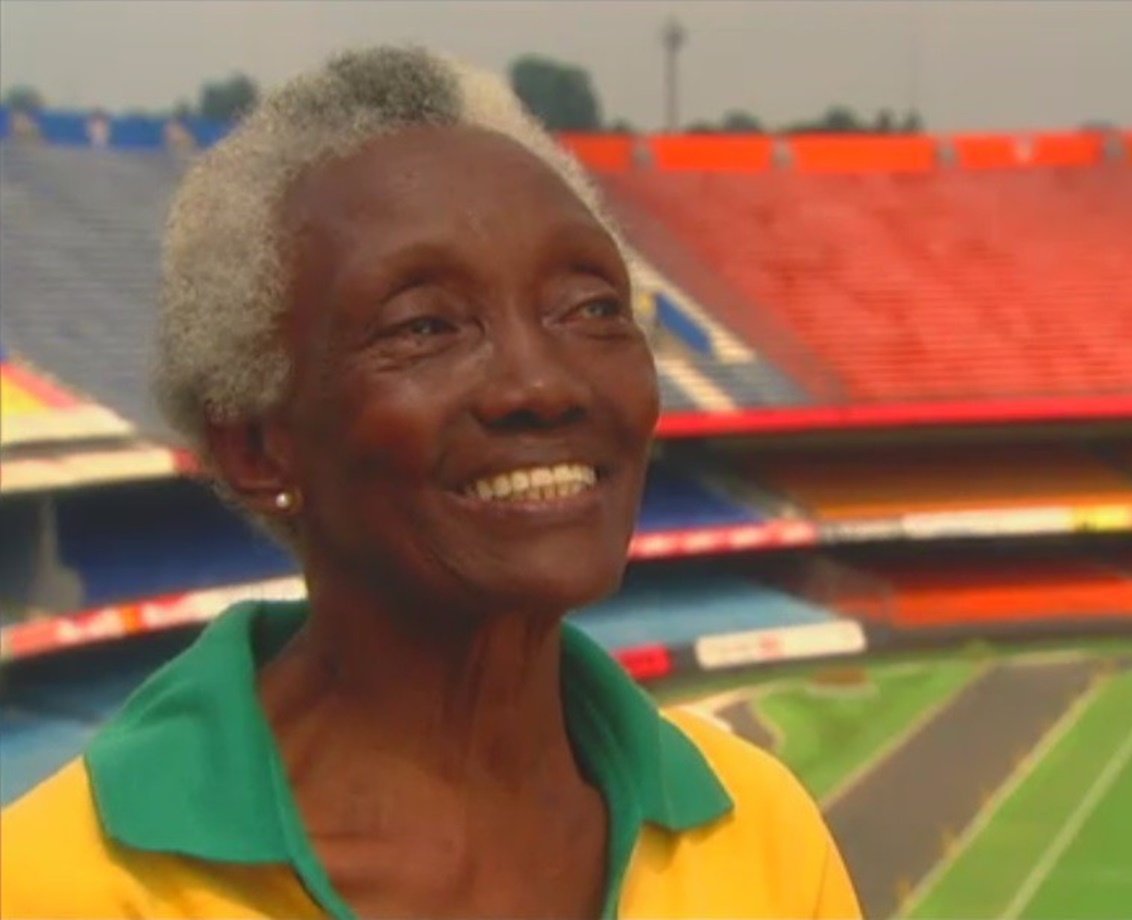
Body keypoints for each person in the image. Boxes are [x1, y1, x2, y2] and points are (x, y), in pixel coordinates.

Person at [0, 46, 861, 919]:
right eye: (426, 326)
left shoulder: (761, 836)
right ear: (258, 447)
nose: (544, 384)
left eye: (591, 306)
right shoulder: (57, 888)